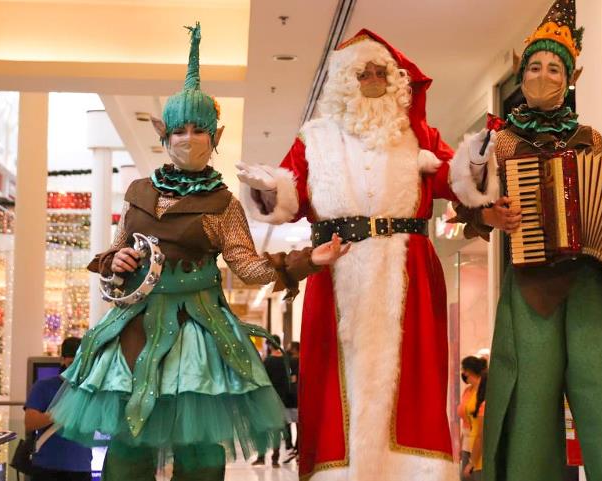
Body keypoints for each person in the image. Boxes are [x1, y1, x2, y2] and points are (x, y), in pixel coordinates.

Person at [47, 23, 348, 481]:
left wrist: (305, 260)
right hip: (136, 329)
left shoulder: (223, 202)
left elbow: (247, 264)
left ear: (216, 136)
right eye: (181, 129)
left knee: (200, 454)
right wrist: (118, 262)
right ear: (164, 135)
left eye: (199, 129)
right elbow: (115, 252)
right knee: (129, 449)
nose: (190, 137)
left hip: (198, 331)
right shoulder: (138, 191)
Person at [237, 29, 494, 481]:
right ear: (343, 82)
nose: (373, 80)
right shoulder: (313, 139)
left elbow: (459, 184)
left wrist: (475, 161)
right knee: (332, 381)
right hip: (337, 270)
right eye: (363, 73)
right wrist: (265, 188)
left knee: (413, 380)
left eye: (381, 72)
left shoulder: (419, 136)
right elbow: (289, 195)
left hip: (408, 271)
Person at [453, 1, 602, 480]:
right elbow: (466, 208)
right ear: (522, 73)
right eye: (535, 66)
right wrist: (491, 217)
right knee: (528, 406)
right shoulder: (499, 141)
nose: (544, 75)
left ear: (569, 76)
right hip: (530, 288)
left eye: (554, 67)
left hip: (592, 286)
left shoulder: (588, 137)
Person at [24, 337, 92, 481]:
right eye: (72, 362)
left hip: (80, 467)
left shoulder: (91, 391)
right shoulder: (43, 387)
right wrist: (60, 412)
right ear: (62, 360)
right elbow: (30, 422)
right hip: (47, 467)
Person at [254, 336, 291, 467]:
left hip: (268, 398)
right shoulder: (286, 360)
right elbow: (288, 380)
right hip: (282, 398)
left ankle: (261, 457)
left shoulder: (268, 361)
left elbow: (262, 380)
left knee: (263, 428)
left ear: (270, 345)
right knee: (277, 428)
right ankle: (275, 459)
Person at [457, 356, 486, 481]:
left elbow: (481, 432)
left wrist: (472, 461)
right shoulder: (467, 391)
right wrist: (460, 443)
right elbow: (465, 421)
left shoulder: (483, 392)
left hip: (477, 444)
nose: (463, 373)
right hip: (467, 443)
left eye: (464, 370)